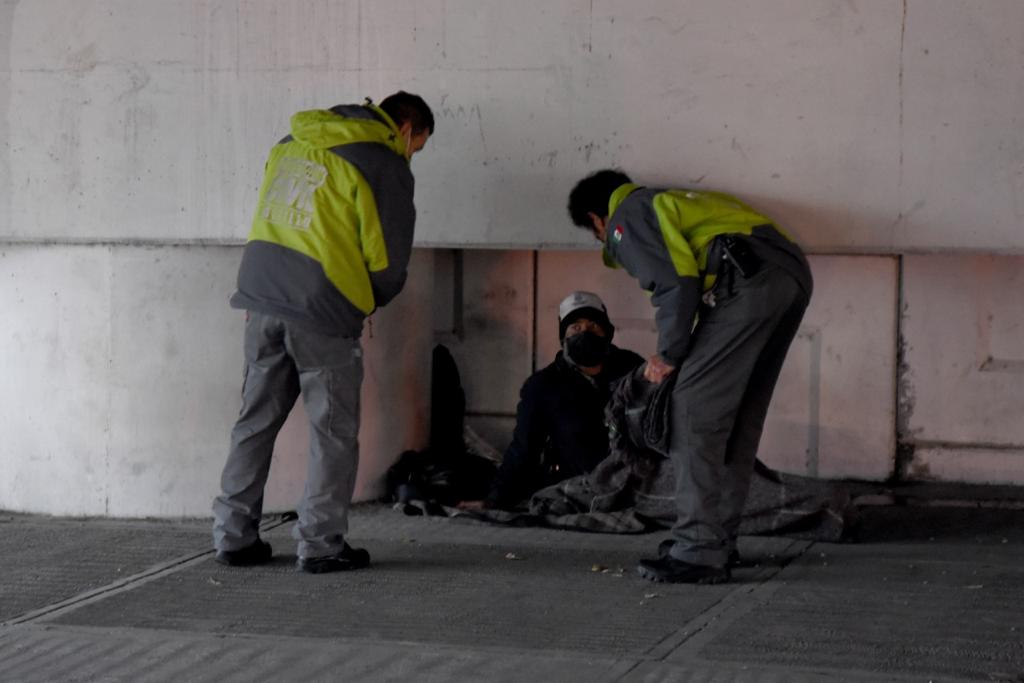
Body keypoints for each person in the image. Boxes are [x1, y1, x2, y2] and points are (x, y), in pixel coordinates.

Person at [212, 92, 434, 574]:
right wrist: (365, 299)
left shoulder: (291, 141)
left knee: (254, 422)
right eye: (417, 145)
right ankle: (320, 543)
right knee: (332, 431)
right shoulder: (383, 162)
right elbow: (387, 261)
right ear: (406, 129)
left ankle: (233, 536)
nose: (412, 154)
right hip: (321, 306)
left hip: (259, 295)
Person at [567, 170, 813, 584]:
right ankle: (716, 540)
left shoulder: (630, 212)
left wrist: (668, 354)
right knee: (737, 417)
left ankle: (698, 549)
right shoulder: (675, 203)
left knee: (692, 411)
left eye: (598, 234)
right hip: (787, 273)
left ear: (597, 219)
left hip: (748, 281)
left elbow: (674, 282)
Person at [459, 291, 643, 510]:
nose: (585, 333)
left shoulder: (632, 369)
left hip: (636, 483)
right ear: (563, 337)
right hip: (580, 490)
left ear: (607, 333)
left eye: (593, 326)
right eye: (575, 327)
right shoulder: (543, 386)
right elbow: (524, 450)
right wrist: (494, 501)